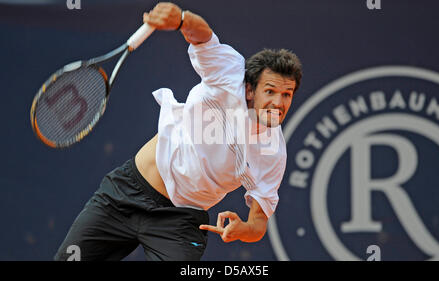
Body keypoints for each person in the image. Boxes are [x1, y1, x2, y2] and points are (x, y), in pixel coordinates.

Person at [54, 2, 302, 261]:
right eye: (270, 91)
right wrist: (182, 19)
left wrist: (244, 229)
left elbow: (258, 224)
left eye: (287, 94)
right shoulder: (229, 74)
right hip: (125, 194)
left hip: (179, 222)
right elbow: (204, 36)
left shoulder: (272, 152)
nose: (279, 102)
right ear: (250, 89)